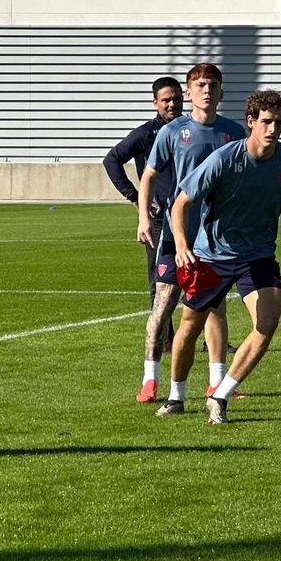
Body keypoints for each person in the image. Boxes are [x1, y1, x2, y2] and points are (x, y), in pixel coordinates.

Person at [155, 90, 281, 424]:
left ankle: (220, 395)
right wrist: (182, 246)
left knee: (266, 324)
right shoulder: (224, 158)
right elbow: (181, 203)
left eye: (279, 123)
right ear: (251, 122)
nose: (272, 129)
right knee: (189, 327)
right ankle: (176, 397)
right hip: (211, 257)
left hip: (258, 256)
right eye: (266, 121)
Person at [135, 64, 241, 403]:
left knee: (216, 307)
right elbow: (149, 177)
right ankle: (150, 378)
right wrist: (142, 219)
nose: (206, 90)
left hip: (214, 238)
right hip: (174, 234)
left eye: (212, 84)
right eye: (199, 84)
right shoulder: (173, 132)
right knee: (163, 305)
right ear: (189, 91)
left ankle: (216, 382)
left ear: (221, 93)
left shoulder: (234, 133)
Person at [104, 76, 183, 359]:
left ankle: (212, 341)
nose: (172, 104)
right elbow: (111, 159)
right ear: (155, 103)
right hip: (161, 221)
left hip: (193, 217)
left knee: (207, 280)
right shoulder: (146, 134)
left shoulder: (191, 129)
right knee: (160, 283)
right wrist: (135, 198)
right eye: (166, 100)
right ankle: (164, 339)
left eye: (176, 98)